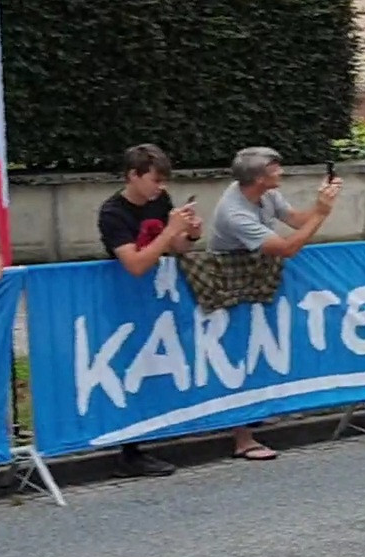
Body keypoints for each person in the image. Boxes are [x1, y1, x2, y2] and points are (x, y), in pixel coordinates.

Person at [209, 146, 340, 462]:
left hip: (258, 278)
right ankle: (242, 438)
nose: (281, 172)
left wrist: (322, 204)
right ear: (257, 178)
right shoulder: (235, 211)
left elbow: (296, 222)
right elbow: (286, 247)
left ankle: (257, 413)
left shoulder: (266, 195)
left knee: (263, 349)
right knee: (239, 354)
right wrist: (321, 213)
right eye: (275, 168)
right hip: (230, 283)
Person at [97, 143, 202, 477]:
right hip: (123, 296)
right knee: (128, 367)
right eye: (155, 180)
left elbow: (177, 246)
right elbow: (135, 264)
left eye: (163, 180)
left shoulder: (160, 201)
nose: (161, 187)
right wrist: (171, 231)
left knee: (157, 365)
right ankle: (129, 450)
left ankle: (151, 435)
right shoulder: (113, 213)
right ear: (133, 175)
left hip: (157, 297)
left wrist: (190, 234)